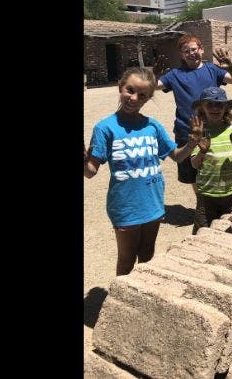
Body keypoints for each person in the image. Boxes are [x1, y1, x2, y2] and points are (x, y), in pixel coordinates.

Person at [84, 67, 200, 276]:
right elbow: (91, 171)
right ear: (120, 87)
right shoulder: (105, 128)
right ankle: (121, 295)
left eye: (142, 95)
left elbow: (176, 156)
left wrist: (192, 143)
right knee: (126, 260)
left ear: (148, 98)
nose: (134, 98)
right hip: (125, 206)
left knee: (147, 254)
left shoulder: (152, 126)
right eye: (130, 90)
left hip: (153, 202)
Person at [157, 34, 232, 226]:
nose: (191, 53)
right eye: (186, 51)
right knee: (192, 171)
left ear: (201, 49)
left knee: (214, 165)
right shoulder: (174, 74)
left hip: (214, 129)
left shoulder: (212, 69)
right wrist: (152, 75)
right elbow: (153, 86)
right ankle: (202, 202)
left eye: (194, 49)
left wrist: (230, 67)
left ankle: (212, 204)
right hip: (186, 131)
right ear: (181, 54)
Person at [188, 87, 232, 232]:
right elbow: (194, 164)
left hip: (230, 193)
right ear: (202, 108)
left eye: (219, 104)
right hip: (206, 194)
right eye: (209, 104)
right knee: (202, 232)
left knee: (227, 231)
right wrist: (202, 151)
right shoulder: (200, 133)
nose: (215, 108)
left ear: (226, 108)